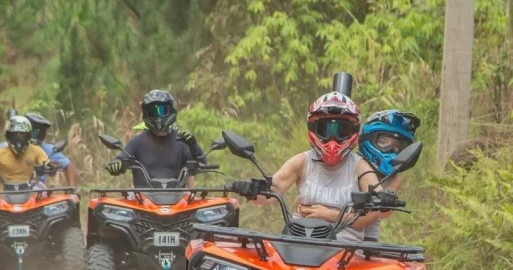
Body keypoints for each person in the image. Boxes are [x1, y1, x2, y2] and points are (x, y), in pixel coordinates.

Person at [228, 91, 385, 242]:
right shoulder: (302, 161)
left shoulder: (359, 167)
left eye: (341, 130)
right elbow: (269, 193)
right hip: (299, 243)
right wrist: (251, 191)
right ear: (313, 129)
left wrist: (329, 214)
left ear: (353, 131)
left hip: (345, 252)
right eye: (325, 129)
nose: (332, 139)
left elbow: (375, 214)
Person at [105, 90, 205, 187]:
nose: (158, 116)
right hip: (142, 201)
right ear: (146, 114)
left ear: (171, 111)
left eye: (162, 111)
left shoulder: (182, 142)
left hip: (178, 200)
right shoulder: (138, 142)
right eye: (153, 112)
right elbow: (122, 157)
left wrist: (193, 145)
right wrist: (117, 164)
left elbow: (202, 165)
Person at [357, 109, 421, 241]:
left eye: (396, 146)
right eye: (384, 142)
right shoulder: (352, 165)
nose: (390, 150)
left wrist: (329, 214)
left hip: (366, 243)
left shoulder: (395, 178)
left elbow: (381, 214)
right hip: (331, 235)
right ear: (369, 138)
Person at [0, 116, 58, 190]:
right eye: (14, 135)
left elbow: (49, 168)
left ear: (29, 136)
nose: (19, 140)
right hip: (4, 195)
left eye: (23, 136)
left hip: (30, 192)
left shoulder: (36, 150)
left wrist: (52, 166)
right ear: (7, 136)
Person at [0, 112, 77, 187]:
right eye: (36, 132)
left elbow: (69, 166)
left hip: (36, 192)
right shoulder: (5, 147)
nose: (40, 136)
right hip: (7, 189)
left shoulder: (48, 150)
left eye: (43, 133)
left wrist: (72, 191)